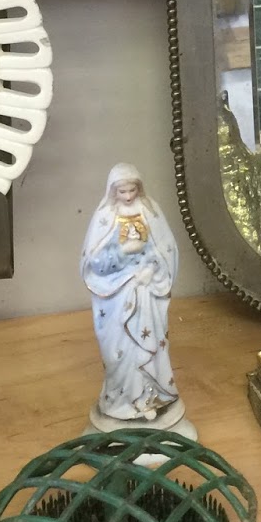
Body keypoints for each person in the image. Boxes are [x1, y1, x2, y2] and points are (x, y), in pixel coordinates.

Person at [81, 163, 187, 428]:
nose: (128, 196)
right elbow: (94, 262)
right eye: (122, 191)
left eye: (132, 190)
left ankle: (153, 397)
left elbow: (166, 250)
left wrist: (151, 269)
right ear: (112, 191)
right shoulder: (105, 216)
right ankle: (122, 400)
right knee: (119, 349)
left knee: (152, 344)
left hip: (146, 291)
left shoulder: (150, 210)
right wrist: (123, 252)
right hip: (117, 295)